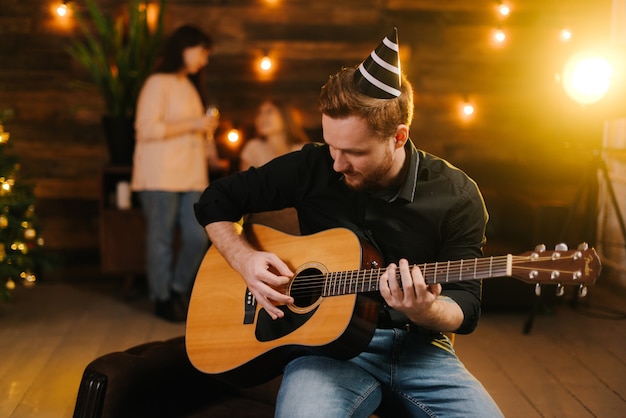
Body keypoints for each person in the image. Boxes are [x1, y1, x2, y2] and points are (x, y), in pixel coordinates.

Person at [194, 29, 502, 417]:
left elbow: (466, 305)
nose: (337, 164)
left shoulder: (457, 194)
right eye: (332, 145)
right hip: (325, 352)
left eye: (354, 152)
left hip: (422, 352)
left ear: (398, 137)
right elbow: (215, 200)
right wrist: (244, 259)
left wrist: (425, 310)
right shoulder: (315, 164)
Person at [132, 25, 228, 322]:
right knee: (160, 238)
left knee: (197, 236)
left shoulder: (190, 86)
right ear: (184, 49)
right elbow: (145, 129)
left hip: (192, 175)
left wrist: (211, 151)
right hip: (160, 174)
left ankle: (176, 288)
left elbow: (198, 130)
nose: (205, 59)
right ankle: (161, 297)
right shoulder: (157, 83)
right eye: (202, 52)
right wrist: (193, 125)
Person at [239, 99, 309, 171]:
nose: (262, 117)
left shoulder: (302, 150)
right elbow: (247, 181)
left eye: (269, 112)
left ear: (284, 116)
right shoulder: (254, 148)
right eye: (259, 113)